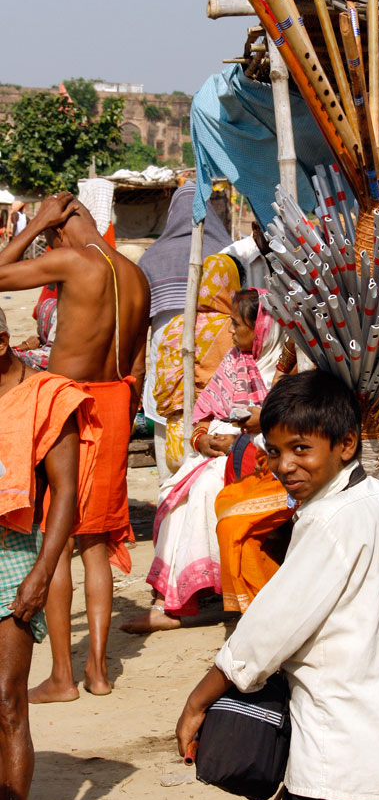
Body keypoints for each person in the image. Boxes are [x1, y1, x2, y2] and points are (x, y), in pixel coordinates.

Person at [176, 371, 379, 800]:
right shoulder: (378, 501)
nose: (284, 465)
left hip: (339, 743)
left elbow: (269, 629)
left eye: (300, 448)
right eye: (274, 451)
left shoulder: (335, 519)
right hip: (363, 734)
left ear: (345, 444)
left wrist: (199, 699)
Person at [0, 191, 150, 700]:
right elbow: (137, 368)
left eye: (47, 234)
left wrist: (32, 224)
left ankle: (63, 676)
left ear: (60, 227)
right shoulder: (135, 273)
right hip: (115, 401)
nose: (45, 242)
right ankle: (99, 672)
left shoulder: (71, 260)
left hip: (69, 406)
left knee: (57, 540)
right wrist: (121, 417)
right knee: (96, 546)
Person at [0, 307, 101, 800]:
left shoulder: (45, 397)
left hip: (15, 552)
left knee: (9, 699)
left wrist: (43, 571)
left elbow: (62, 491)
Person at [121, 289, 284, 632]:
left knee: (208, 486)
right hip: (227, 453)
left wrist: (240, 443)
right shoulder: (235, 361)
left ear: (262, 330)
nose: (230, 331)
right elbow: (203, 418)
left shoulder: (285, 369)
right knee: (172, 491)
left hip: (265, 463)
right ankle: (180, 593)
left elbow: (288, 432)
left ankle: (197, 598)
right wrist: (203, 439)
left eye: (238, 324)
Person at [139, 181, 232, 482]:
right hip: (216, 370)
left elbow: (141, 323)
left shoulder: (152, 256)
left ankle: (170, 511)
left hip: (167, 375)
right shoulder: (226, 253)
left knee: (169, 446)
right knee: (215, 457)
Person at [152, 252, 241, 474]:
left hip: (176, 438)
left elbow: (163, 393)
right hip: (216, 435)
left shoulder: (175, 326)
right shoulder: (235, 330)